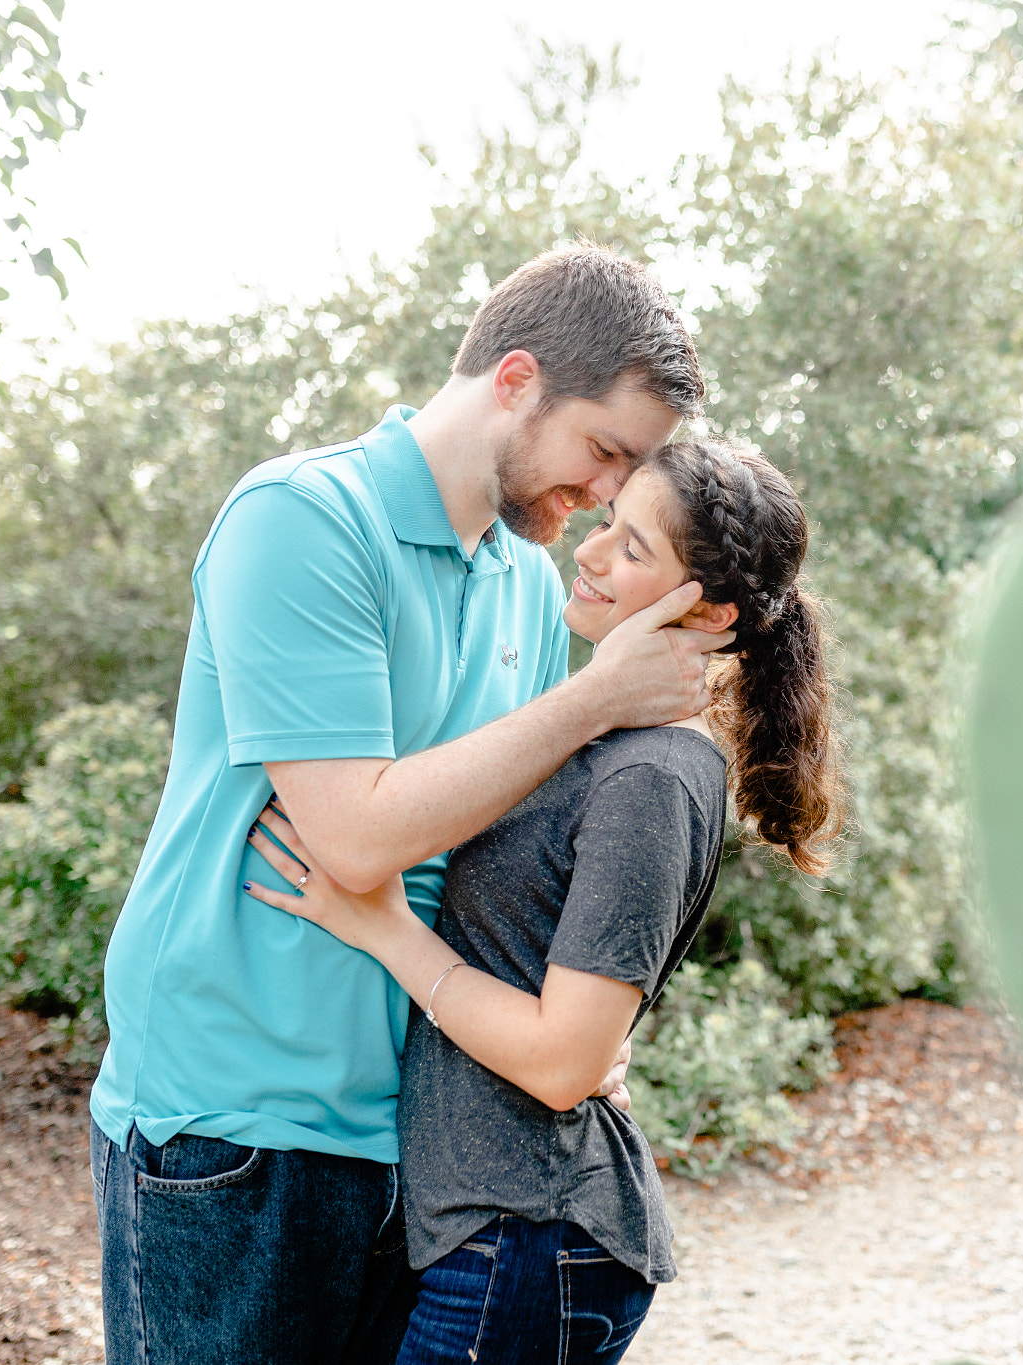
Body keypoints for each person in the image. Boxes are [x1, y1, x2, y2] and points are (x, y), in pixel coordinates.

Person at [87, 244, 732, 1364]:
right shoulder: (302, 519)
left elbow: (515, 844)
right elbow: (356, 837)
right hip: (237, 1123)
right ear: (517, 379)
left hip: (415, 1139)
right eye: (603, 452)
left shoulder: (526, 581)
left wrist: (574, 1035)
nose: (601, 495)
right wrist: (591, 702)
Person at [240, 437, 841, 1364]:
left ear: (712, 612)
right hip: (493, 1231)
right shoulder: (600, 738)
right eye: (607, 525)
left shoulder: (656, 776)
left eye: (635, 548)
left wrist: (384, 929)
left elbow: (564, 1063)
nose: (593, 553)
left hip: (533, 1235)